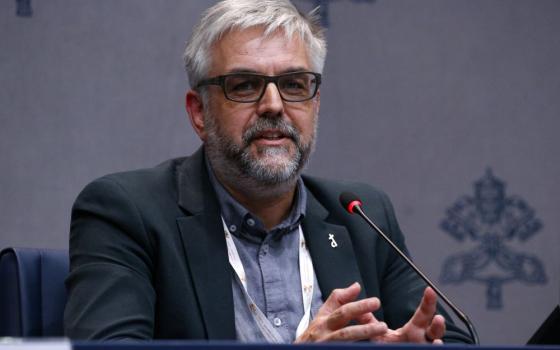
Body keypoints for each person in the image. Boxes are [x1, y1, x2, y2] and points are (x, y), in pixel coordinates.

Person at [64, 0, 473, 343]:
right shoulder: (126, 212)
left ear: (315, 103)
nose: (274, 105)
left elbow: (447, 334)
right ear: (199, 113)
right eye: (244, 85)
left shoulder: (361, 215)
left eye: (295, 84)